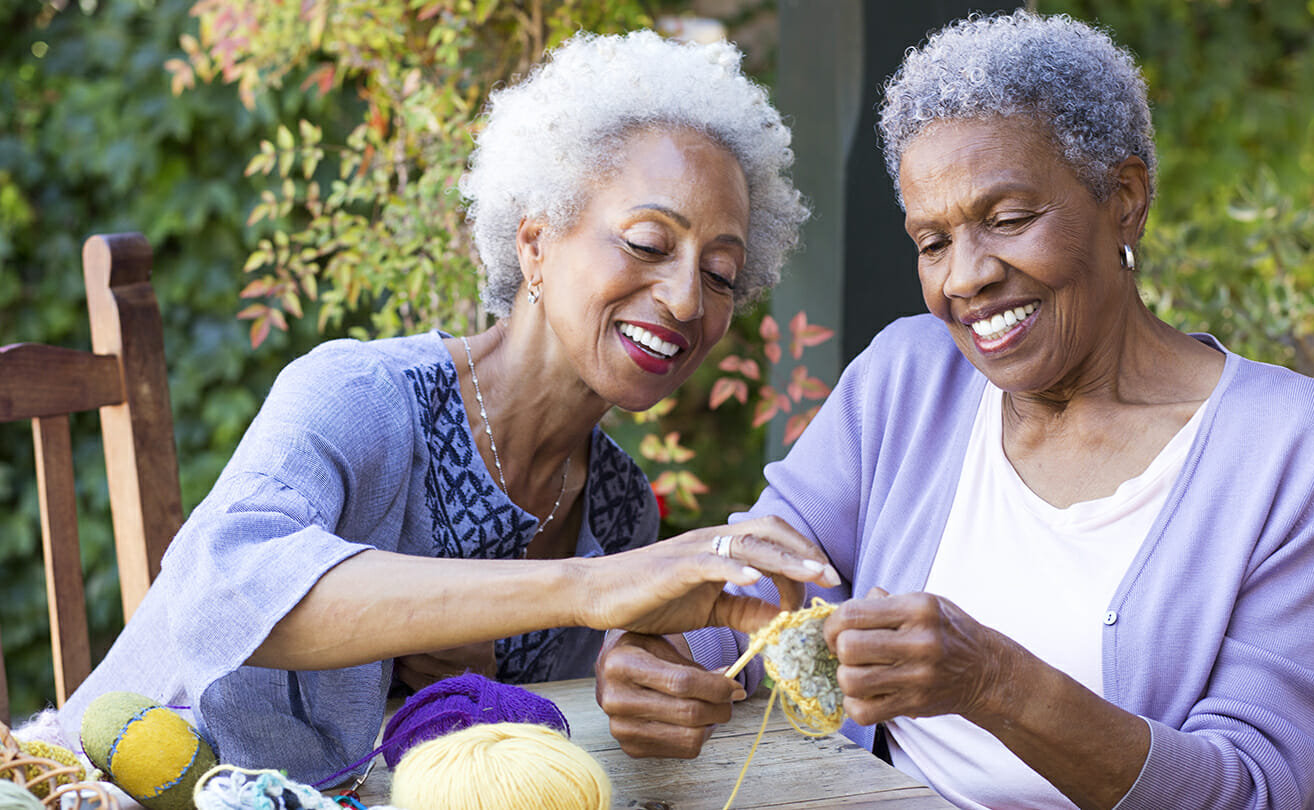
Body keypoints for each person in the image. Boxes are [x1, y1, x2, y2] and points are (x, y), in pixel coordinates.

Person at [595, 11, 1314, 809]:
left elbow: (1262, 789)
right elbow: (756, 581)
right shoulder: (909, 375)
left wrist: (995, 682)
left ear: (1126, 200)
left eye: (1007, 220)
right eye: (932, 242)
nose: (964, 278)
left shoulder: (1301, 450)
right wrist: (658, 656)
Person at [46, 30, 834, 787]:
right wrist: (584, 589)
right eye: (648, 243)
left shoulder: (615, 506)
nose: (688, 297)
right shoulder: (363, 399)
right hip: (112, 783)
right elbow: (223, 591)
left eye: (722, 273)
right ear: (536, 242)